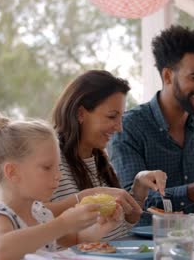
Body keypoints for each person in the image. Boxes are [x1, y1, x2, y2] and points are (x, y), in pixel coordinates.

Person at [108, 25, 194, 226]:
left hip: (193, 241)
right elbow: (131, 202)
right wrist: (193, 191)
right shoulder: (129, 127)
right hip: (141, 247)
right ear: (167, 76)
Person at [0, 107, 121, 260]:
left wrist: (101, 228)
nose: (58, 175)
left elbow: (76, 240)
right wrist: (63, 224)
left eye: (58, 167)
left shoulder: (40, 213)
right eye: (47, 167)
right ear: (12, 172)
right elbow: (1, 251)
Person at [50, 70, 167, 240]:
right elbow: (32, 216)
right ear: (80, 113)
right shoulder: (50, 159)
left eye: (120, 118)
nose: (119, 128)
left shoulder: (99, 160)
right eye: (112, 116)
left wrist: (138, 189)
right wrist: (85, 197)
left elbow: (116, 230)